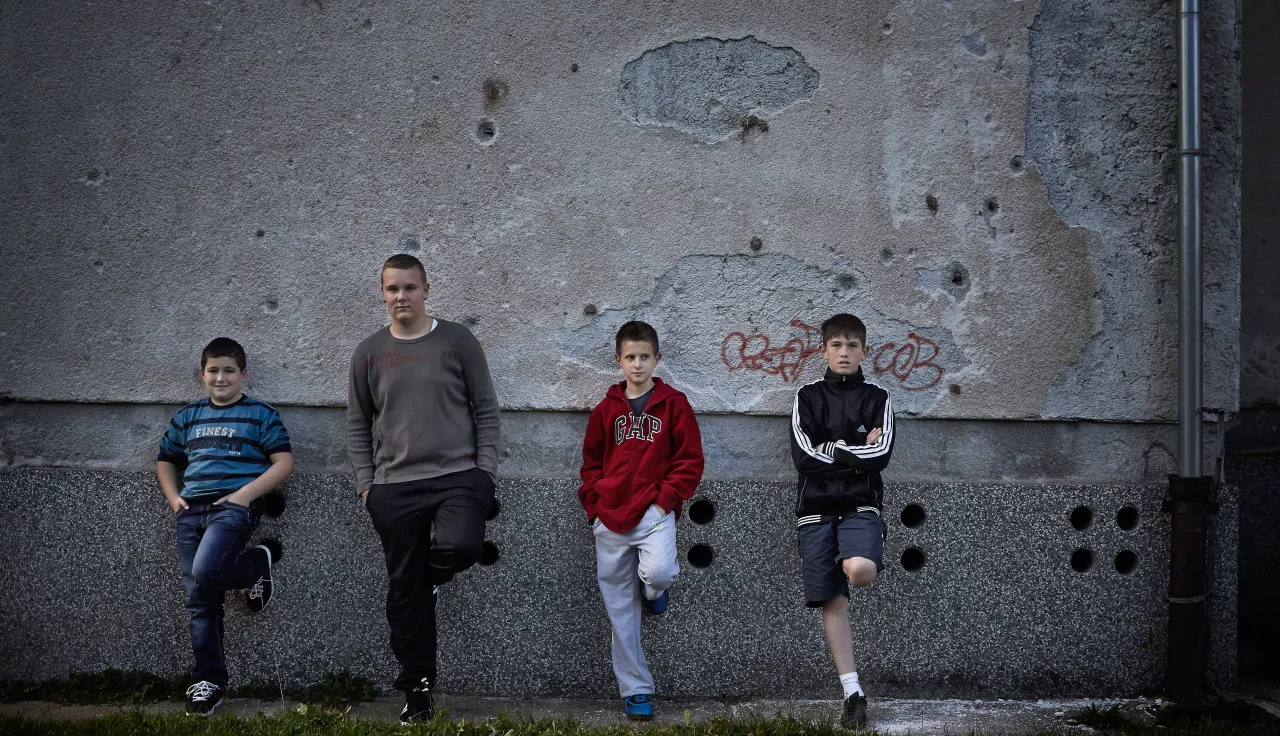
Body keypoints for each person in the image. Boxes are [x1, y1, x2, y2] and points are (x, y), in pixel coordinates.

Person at [346, 253, 500, 724]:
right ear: (383, 294)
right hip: (394, 486)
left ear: (426, 289)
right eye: (392, 289)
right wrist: (366, 488)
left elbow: (486, 409)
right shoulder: (369, 353)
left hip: (458, 475)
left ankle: (434, 576)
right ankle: (417, 692)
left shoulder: (457, 340)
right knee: (403, 594)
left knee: (463, 544)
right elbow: (357, 423)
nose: (401, 297)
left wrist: (486, 472)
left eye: (409, 287)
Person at [156, 337, 294, 716]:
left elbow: (283, 462)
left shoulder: (260, 415)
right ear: (202, 375)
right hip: (190, 510)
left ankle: (256, 565)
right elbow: (166, 458)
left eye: (229, 371)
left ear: (242, 375)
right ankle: (209, 682)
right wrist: (173, 497)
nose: (221, 378)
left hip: (232, 507)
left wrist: (244, 496)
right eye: (213, 371)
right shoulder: (188, 417)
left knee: (206, 571)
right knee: (200, 598)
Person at [577, 320, 704, 720]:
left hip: (653, 512)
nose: (637, 365)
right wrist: (594, 507)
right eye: (630, 357)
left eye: (644, 357)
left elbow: (689, 460)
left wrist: (665, 502)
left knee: (662, 572)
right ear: (618, 360)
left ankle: (652, 592)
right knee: (619, 608)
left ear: (657, 359)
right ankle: (635, 690)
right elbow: (591, 463)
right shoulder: (605, 410)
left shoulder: (674, 405)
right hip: (609, 518)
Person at [789, 313, 895, 729]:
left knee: (861, 570)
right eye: (836, 345)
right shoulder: (807, 397)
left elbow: (882, 454)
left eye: (852, 345)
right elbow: (803, 457)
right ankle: (853, 694)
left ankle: (859, 552)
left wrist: (830, 448)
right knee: (833, 603)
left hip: (859, 507)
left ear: (864, 351)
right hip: (814, 511)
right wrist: (854, 448)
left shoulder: (878, 398)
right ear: (824, 351)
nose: (844, 352)